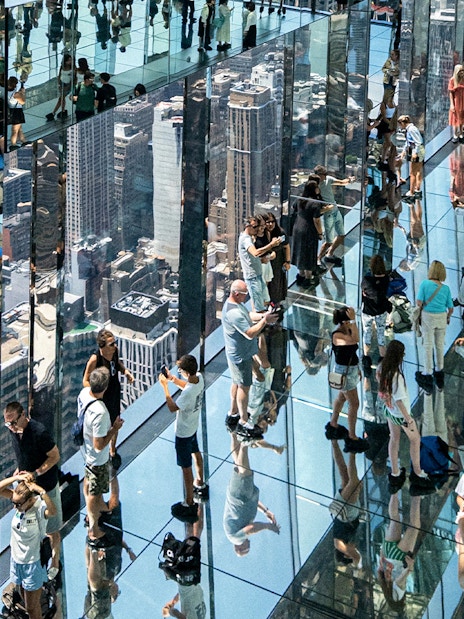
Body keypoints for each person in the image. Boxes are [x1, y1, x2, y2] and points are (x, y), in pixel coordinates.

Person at [3, 401, 63, 581]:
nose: (11, 427)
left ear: (23, 416)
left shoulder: (39, 432)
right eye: (7, 423)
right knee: (32, 526)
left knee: (52, 528)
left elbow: (55, 456)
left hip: (45, 484)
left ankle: (55, 560)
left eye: (13, 422)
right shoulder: (14, 432)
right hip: (25, 486)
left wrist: (35, 473)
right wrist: (18, 471)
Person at [222, 280, 279, 439]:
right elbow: (249, 333)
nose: (246, 298)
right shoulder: (232, 313)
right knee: (244, 386)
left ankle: (233, 413)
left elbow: (247, 315)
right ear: (236, 294)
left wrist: (263, 315)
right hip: (241, 355)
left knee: (236, 381)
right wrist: (264, 321)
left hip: (241, 352)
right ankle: (244, 422)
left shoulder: (234, 305)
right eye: (244, 295)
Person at [377, 340, 435, 490]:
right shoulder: (397, 376)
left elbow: (380, 382)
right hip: (401, 415)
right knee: (415, 440)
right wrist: (409, 419)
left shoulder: (381, 367)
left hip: (389, 410)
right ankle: (417, 472)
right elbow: (400, 401)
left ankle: (395, 473)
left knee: (394, 438)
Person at [0, 473, 57, 619]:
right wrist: (15, 479)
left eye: (18, 504)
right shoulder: (19, 502)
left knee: (32, 607)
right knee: (26, 602)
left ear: (30, 500)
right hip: (17, 561)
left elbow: (53, 511)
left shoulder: (39, 507)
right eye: (14, 502)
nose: (15, 507)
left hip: (32, 563)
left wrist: (41, 491)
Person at [159, 355, 207, 524]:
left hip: (183, 433)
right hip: (193, 427)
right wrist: (172, 380)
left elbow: (173, 407)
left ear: (186, 371)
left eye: (180, 371)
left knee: (186, 467)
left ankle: (189, 502)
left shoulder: (187, 394)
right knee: (196, 452)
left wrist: (165, 388)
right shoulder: (199, 378)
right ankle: (200, 483)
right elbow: (187, 385)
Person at [78, 367, 124, 545]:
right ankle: (94, 529)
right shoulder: (101, 412)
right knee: (95, 493)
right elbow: (99, 445)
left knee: (88, 483)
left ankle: (92, 518)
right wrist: (114, 429)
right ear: (105, 388)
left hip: (85, 450)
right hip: (97, 458)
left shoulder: (83, 394)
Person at [83, 329, 134, 468]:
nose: (115, 346)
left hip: (114, 391)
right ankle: (102, 452)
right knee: (103, 424)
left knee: (115, 421)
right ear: (102, 346)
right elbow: (86, 380)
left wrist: (126, 372)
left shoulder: (114, 353)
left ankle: (112, 450)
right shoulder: (95, 359)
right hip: (102, 395)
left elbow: (117, 363)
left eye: (115, 343)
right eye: (111, 344)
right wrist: (95, 394)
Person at [223, 434, 280, 555]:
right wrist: (265, 511)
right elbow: (252, 505)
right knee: (238, 464)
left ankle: (244, 441)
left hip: (240, 497)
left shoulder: (236, 538)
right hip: (241, 497)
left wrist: (268, 527)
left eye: (246, 548)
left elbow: (251, 529)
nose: (248, 544)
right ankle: (234, 433)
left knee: (244, 471)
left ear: (238, 548)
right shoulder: (234, 533)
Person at [325, 306, 369, 453]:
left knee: (342, 398)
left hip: (350, 370)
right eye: (349, 320)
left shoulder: (346, 330)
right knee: (354, 404)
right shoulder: (337, 335)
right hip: (344, 372)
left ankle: (333, 422)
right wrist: (354, 321)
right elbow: (355, 340)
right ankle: (351, 436)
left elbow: (355, 342)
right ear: (345, 321)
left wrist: (358, 370)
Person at [415, 260, 453, 394]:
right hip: (441, 318)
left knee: (428, 345)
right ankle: (439, 372)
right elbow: (450, 307)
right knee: (439, 345)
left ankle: (427, 372)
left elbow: (419, 302)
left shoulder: (425, 284)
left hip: (428, 317)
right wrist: (447, 317)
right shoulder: (446, 288)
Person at [238, 216, 281, 312]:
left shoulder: (249, 238)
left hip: (258, 274)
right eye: (255, 227)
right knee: (259, 308)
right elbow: (255, 253)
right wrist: (271, 245)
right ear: (247, 227)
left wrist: (264, 259)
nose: (257, 229)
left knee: (265, 300)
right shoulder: (245, 239)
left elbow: (252, 257)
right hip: (252, 277)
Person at [313, 165, 354, 266]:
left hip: (335, 209)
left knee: (341, 235)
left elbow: (341, 182)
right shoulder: (315, 186)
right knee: (329, 240)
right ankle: (318, 259)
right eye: (323, 174)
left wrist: (349, 180)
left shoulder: (328, 180)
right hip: (328, 213)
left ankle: (329, 254)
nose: (326, 176)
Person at [360, 254, 392, 375]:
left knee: (367, 332)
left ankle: (366, 359)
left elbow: (363, 289)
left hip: (368, 311)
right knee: (380, 333)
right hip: (381, 311)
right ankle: (382, 361)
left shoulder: (367, 280)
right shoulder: (386, 279)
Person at [292, 180, 323, 288]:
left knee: (300, 251)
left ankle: (300, 275)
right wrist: (320, 233)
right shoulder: (315, 203)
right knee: (309, 252)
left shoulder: (300, 198)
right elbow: (317, 220)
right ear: (314, 189)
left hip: (297, 227)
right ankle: (308, 278)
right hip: (309, 229)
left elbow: (294, 207)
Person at [265, 213, 291, 303]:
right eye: (267, 222)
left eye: (272, 221)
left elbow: (286, 246)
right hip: (266, 262)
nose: (270, 224)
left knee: (277, 283)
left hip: (278, 261)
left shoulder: (280, 232)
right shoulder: (262, 234)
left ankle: (276, 303)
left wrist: (287, 262)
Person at [398, 115, 425, 201]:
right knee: (418, 171)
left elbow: (418, 141)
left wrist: (414, 153)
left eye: (400, 124)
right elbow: (408, 141)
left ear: (403, 123)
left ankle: (411, 192)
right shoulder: (410, 129)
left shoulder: (411, 130)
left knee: (412, 173)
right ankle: (417, 189)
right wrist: (403, 151)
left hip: (416, 151)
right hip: (418, 150)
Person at [46, 53, 75, 121]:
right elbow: (59, 75)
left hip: (67, 85)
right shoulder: (62, 66)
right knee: (61, 98)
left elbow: (72, 79)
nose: (70, 62)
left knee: (61, 98)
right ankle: (62, 110)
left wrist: (68, 86)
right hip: (62, 84)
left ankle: (55, 112)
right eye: (69, 60)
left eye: (71, 60)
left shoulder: (72, 68)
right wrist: (59, 84)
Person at [7, 76, 26, 148]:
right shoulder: (16, 94)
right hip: (17, 112)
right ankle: (13, 144)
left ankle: (23, 140)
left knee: (19, 127)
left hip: (12, 110)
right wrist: (23, 93)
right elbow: (22, 102)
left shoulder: (7, 91)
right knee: (15, 130)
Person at [449, 64, 464, 143]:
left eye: (462, 70)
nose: (462, 72)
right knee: (455, 118)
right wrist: (452, 104)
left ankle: (461, 133)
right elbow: (451, 93)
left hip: (463, 100)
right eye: (460, 71)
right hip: (456, 101)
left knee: (462, 117)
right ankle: (455, 134)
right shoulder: (452, 80)